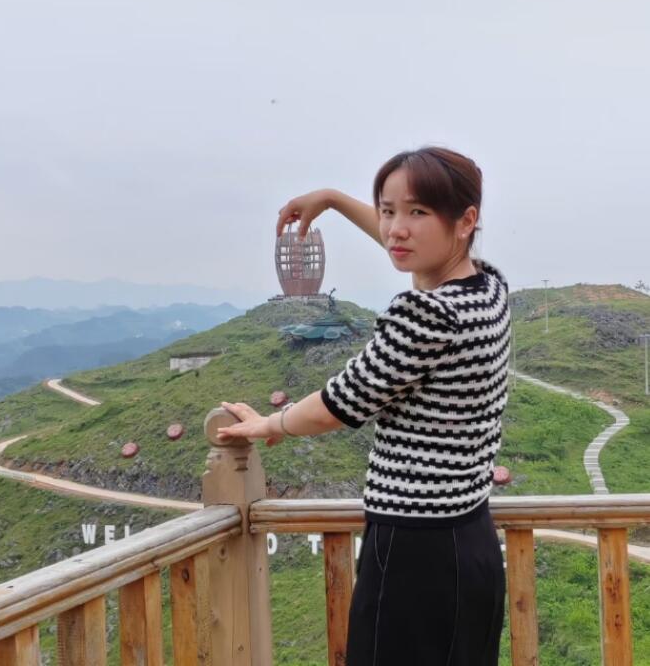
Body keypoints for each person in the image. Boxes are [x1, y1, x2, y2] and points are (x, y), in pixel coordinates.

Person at [216, 146, 510, 666]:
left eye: (418, 212)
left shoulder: (426, 313)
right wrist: (332, 200)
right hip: (472, 541)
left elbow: (338, 404)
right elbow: (405, 243)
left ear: (466, 221)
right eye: (388, 211)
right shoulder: (488, 290)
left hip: (414, 551)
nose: (396, 229)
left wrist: (272, 424)